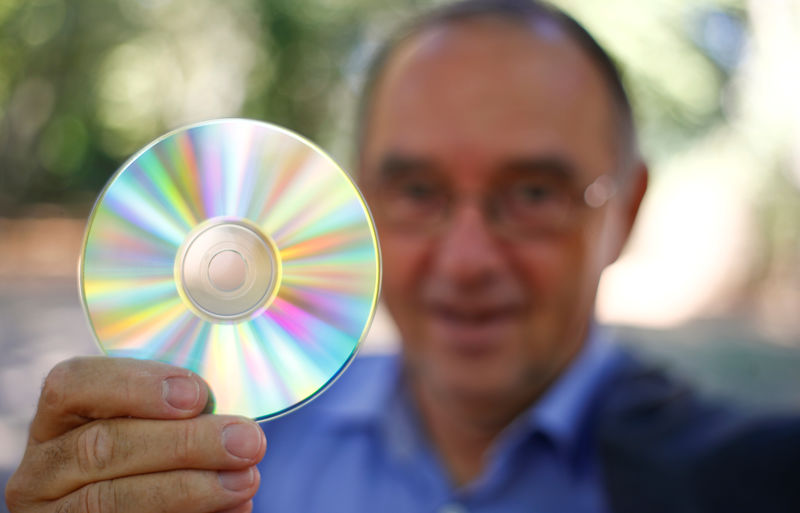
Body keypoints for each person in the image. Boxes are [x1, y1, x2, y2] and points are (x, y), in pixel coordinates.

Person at [5, 1, 799, 512]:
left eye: (531, 195)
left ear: (624, 214)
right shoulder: (209, 451)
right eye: (416, 191)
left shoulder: (749, 480)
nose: (464, 259)